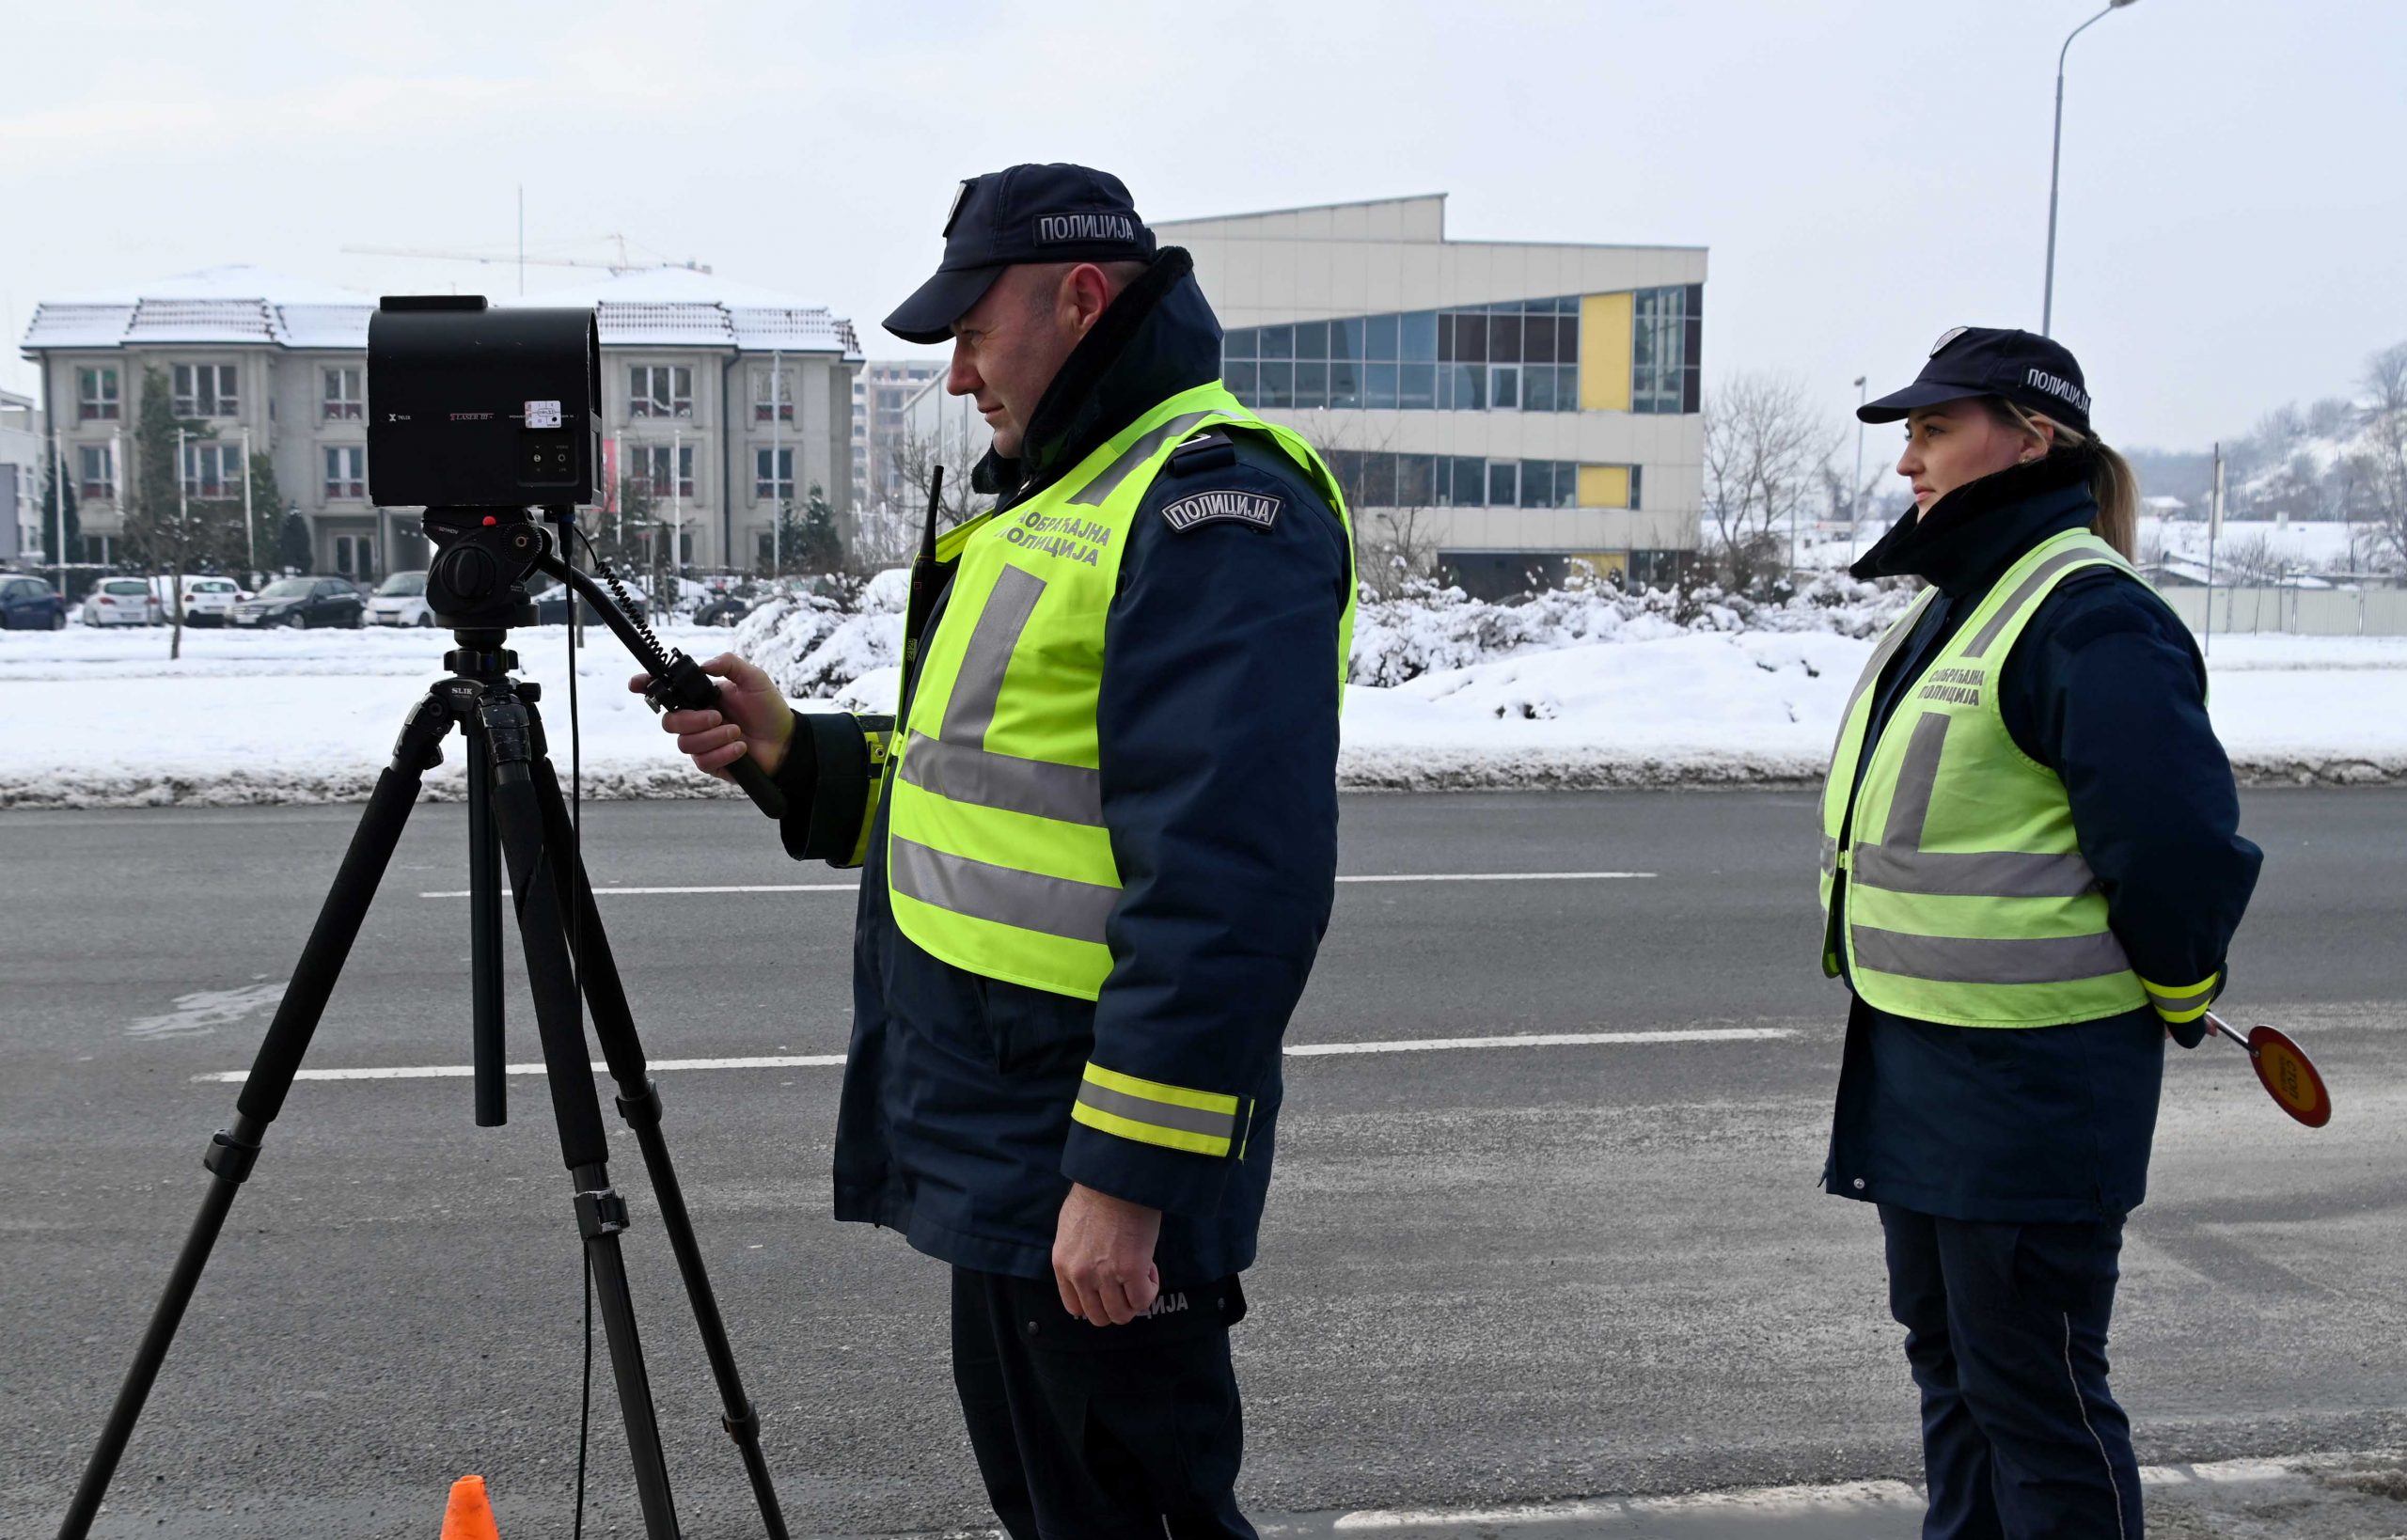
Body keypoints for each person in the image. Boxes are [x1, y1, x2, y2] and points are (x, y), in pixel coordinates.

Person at [637, 164, 1355, 1538]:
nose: (959, 376)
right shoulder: (1062, 497)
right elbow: (982, 795)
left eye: (973, 332)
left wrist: (1125, 1178)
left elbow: (1229, 885)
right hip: (1017, 1145)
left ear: (1080, 299)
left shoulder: (1212, 508)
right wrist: (803, 755)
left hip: (1081, 1157)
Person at [1818, 326, 2261, 1540]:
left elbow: (2176, 848)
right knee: (1955, 1373)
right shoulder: (1961, 602)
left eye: (1934, 428)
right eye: (1909, 431)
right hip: (1925, 1057)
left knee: (2038, 1396)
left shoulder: (2089, 616)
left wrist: (2181, 986)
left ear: (2032, 435)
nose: (1910, 460)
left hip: (2034, 1076)